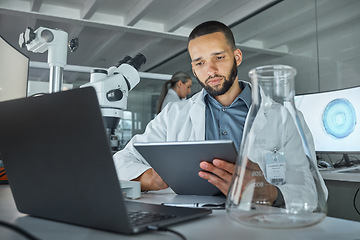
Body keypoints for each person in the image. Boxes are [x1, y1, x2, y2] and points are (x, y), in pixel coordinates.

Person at [113, 21, 328, 205]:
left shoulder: (282, 117)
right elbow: (120, 160)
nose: (211, 70)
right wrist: (151, 178)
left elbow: (315, 191)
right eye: (200, 63)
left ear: (237, 57)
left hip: (258, 224)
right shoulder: (173, 115)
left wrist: (270, 193)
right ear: (194, 68)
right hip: (192, 225)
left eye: (219, 57)